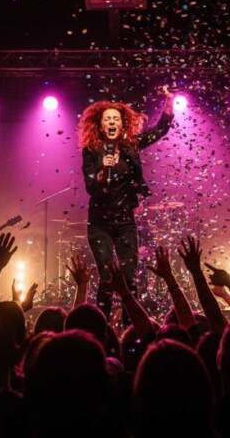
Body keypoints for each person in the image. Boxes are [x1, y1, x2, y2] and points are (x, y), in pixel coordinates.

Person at [78, 87, 175, 319]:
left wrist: (169, 103)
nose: (111, 122)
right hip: (99, 222)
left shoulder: (131, 146)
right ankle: (102, 330)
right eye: (107, 119)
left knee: (129, 279)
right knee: (108, 277)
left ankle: (131, 329)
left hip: (125, 223)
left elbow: (160, 130)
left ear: (122, 124)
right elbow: (90, 186)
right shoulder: (91, 151)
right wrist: (103, 171)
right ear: (100, 126)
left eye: (116, 118)